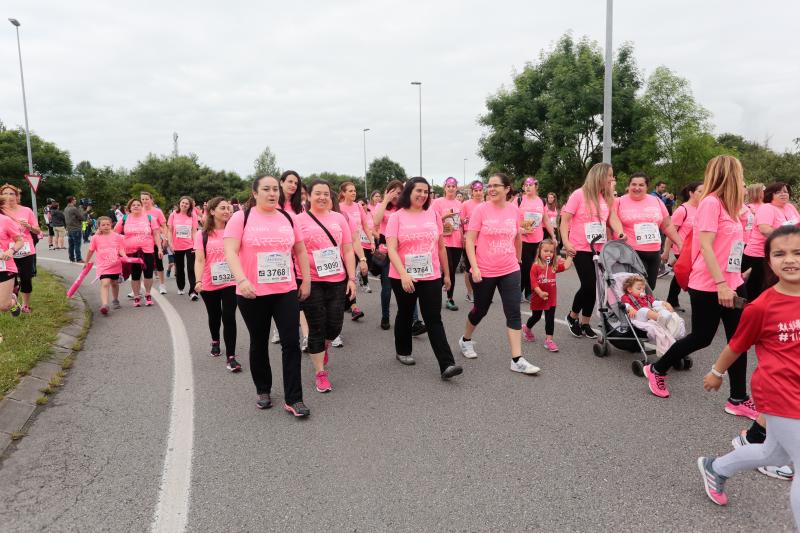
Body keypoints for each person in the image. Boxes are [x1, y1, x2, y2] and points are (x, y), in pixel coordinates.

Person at [698, 225, 800, 529]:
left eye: (797, 252)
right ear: (768, 262)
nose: (790, 259)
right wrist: (716, 373)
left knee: (775, 451)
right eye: (780, 254)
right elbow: (736, 345)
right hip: (778, 390)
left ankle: (715, 467)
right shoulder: (761, 307)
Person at [642, 156, 757, 420]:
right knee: (703, 337)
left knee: (738, 341)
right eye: (739, 175)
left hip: (733, 283)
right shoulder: (710, 203)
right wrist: (721, 284)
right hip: (709, 285)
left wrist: (736, 274)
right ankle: (657, 369)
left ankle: (738, 397)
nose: (743, 180)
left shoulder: (733, 207)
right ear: (729, 176)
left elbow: (730, 247)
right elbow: (705, 247)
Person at [224, 174, 312, 417]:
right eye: (266, 189)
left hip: (285, 290)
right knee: (259, 341)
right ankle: (263, 389)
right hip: (252, 293)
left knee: (291, 343)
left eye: (275, 189)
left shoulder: (288, 217)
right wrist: (242, 279)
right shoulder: (241, 217)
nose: (273, 193)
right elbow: (230, 252)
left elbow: (301, 251)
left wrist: (306, 279)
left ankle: (294, 398)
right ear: (255, 193)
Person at [457, 173, 540, 375]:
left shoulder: (514, 210)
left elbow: (517, 236)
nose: (491, 189)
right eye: (489, 186)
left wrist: (518, 259)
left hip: (510, 269)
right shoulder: (480, 210)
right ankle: (466, 340)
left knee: (513, 312)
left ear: (507, 189)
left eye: (496, 186)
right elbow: (469, 240)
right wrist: (474, 267)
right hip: (484, 270)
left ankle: (517, 359)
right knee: (480, 309)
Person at [386, 177, 463, 378]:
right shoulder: (397, 217)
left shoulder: (433, 214)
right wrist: (404, 275)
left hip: (430, 274)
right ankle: (402, 350)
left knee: (433, 318)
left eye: (426, 191)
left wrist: (447, 274)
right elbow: (392, 250)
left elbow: (440, 246)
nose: (422, 195)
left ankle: (447, 364)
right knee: (405, 312)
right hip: (403, 276)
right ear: (408, 192)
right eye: (418, 190)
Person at [296, 180, 357, 392]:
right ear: (308, 196)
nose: (322, 197)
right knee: (316, 327)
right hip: (311, 280)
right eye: (317, 193)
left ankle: (324, 345)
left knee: (335, 325)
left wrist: (351, 278)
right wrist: (302, 280)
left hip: (337, 279)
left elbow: (348, 249)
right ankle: (320, 372)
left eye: (326, 194)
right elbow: (295, 251)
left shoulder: (339, 218)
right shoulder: (298, 220)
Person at [560, 163, 625, 339]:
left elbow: (612, 217)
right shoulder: (578, 194)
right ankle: (572, 316)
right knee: (588, 284)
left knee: (596, 288)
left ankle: (585, 322)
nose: (612, 179)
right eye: (610, 176)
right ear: (600, 176)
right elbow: (565, 220)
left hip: (600, 248)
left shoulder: (606, 197)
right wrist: (566, 242)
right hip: (580, 247)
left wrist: (620, 233)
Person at [194, 197, 241, 373]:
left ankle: (231, 357)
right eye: (223, 208)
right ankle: (215, 340)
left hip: (231, 281)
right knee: (214, 315)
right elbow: (199, 260)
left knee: (229, 317)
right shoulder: (202, 235)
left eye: (229, 208)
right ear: (212, 211)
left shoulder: (235, 232)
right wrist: (198, 281)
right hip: (209, 282)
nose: (227, 211)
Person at [614, 173, 683, 289]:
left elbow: (667, 225)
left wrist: (680, 243)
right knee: (636, 289)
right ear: (628, 186)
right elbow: (611, 224)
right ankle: (632, 307)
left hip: (654, 252)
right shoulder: (619, 201)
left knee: (650, 287)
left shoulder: (656, 200)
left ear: (647, 187)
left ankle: (642, 306)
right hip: (630, 252)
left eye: (641, 185)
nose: (637, 188)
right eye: (634, 184)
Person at [374, 180, 425, 333]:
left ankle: (415, 321)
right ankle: (385, 316)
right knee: (387, 288)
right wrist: (385, 201)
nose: (396, 194)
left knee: (410, 285)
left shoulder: (405, 208)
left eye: (399, 191)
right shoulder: (382, 206)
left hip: (404, 252)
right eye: (393, 191)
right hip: (387, 252)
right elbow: (376, 221)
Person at [742, 182, 800, 302]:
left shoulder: (790, 207)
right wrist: (787, 239)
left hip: (781, 253)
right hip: (759, 254)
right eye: (778, 192)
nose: (783, 194)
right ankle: (753, 312)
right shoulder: (767, 208)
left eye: (785, 191)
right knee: (759, 288)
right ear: (770, 194)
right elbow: (765, 230)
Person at [522, 239, 572, 352]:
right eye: (545, 251)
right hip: (538, 298)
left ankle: (549, 340)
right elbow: (533, 283)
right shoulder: (535, 266)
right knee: (536, 317)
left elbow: (566, 266)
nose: (548, 253)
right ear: (539, 251)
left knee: (550, 318)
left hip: (551, 298)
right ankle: (527, 328)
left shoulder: (553, 266)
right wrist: (540, 293)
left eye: (551, 251)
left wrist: (570, 255)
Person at [0, 184, 42, 313]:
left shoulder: (26, 210)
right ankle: (11, 298)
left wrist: (28, 226)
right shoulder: (1, 211)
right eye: (5, 193)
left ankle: (25, 305)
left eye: (12, 194)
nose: (8, 196)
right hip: (7, 251)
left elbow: (38, 230)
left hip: (25, 248)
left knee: (25, 278)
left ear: (17, 196)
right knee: (12, 278)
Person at [115, 198, 162, 307]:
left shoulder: (150, 218)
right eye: (133, 205)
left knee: (148, 274)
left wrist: (159, 248)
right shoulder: (125, 218)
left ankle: (148, 294)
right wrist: (119, 247)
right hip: (131, 252)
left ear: (142, 207)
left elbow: (156, 234)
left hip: (147, 250)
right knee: (135, 275)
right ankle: (136, 296)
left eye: (138, 205)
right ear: (129, 208)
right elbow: (115, 233)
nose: (136, 206)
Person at [664, 181, 704, 310]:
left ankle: (671, 300)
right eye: (700, 191)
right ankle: (697, 305)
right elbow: (670, 231)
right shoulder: (683, 209)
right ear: (691, 193)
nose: (703, 194)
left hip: (697, 249)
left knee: (679, 274)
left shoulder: (704, 208)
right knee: (690, 275)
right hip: (681, 249)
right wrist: (665, 252)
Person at [517, 177, 557, 301]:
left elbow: (545, 219)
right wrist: (519, 229)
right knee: (524, 267)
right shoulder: (518, 200)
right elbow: (510, 217)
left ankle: (530, 291)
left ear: (536, 186)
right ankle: (519, 291)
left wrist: (553, 235)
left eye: (530, 185)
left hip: (538, 240)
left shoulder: (542, 201)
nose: (527, 187)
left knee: (535, 267)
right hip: (522, 240)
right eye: (525, 185)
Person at [337, 181, 371, 319]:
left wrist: (371, 240)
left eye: (354, 190)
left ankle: (353, 306)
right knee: (343, 278)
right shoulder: (338, 207)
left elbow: (365, 225)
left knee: (351, 276)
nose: (353, 193)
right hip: (341, 249)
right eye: (350, 191)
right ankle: (348, 304)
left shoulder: (358, 207)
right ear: (343, 193)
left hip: (355, 246)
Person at [432, 177, 464, 311]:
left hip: (457, 241)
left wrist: (463, 236)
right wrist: (444, 218)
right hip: (443, 241)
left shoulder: (460, 204)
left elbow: (461, 223)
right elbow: (431, 220)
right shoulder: (437, 202)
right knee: (449, 269)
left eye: (453, 186)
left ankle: (437, 294)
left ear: (456, 188)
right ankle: (448, 299)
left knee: (451, 270)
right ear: (444, 188)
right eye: (449, 186)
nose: (451, 188)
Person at [85, 216, 126, 315]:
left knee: (114, 283)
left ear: (111, 224)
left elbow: (121, 249)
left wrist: (125, 256)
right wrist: (86, 261)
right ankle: (105, 305)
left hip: (115, 265)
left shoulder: (117, 236)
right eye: (103, 225)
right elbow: (91, 250)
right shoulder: (95, 237)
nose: (106, 226)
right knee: (105, 283)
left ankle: (115, 300)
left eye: (108, 224)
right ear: (98, 226)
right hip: (103, 266)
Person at [168, 196, 200, 300]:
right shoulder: (173, 214)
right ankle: (180, 286)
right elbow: (169, 230)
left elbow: (194, 231)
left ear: (190, 206)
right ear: (179, 203)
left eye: (187, 203)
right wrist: (170, 243)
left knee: (191, 268)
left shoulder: (193, 215)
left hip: (189, 245)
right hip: (177, 246)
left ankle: (193, 291)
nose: (184, 205)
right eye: (183, 203)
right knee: (180, 268)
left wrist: (196, 244)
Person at [459, 180, 485, 302]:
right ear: (471, 192)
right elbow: (460, 222)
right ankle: (470, 293)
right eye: (476, 190)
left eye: (480, 190)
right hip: (469, 242)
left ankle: (480, 292)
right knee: (469, 269)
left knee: (483, 268)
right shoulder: (465, 204)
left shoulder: (487, 204)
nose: (478, 193)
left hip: (484, 242)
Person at [139, 191, 169, 295]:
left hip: (156, 241)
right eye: (142, 199)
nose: (144, 201)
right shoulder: (139, 211)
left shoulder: (157, 211)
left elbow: (164, 226)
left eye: (146, 199)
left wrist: (165, 238)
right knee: (141, 264)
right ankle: (138, 288)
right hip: (142, 242)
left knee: (159, 263)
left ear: (151, 200)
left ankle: (162, 285)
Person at [742, 183, 764, 247]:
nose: (764, 192)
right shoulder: (750, 207)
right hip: (748, 239)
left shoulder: (767, 205)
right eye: (762, 190)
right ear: (756, 192)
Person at [64, 196, 85, 263]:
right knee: (77, 245)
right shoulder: (74, 208)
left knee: (71, 245)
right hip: (76, 228)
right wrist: (85, 211)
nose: (75, 200)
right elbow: (82, 217)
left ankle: (71, 258)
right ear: (72, 200)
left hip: (69, 229)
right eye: (75, 199)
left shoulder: (66, 209)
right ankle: (78, 258)